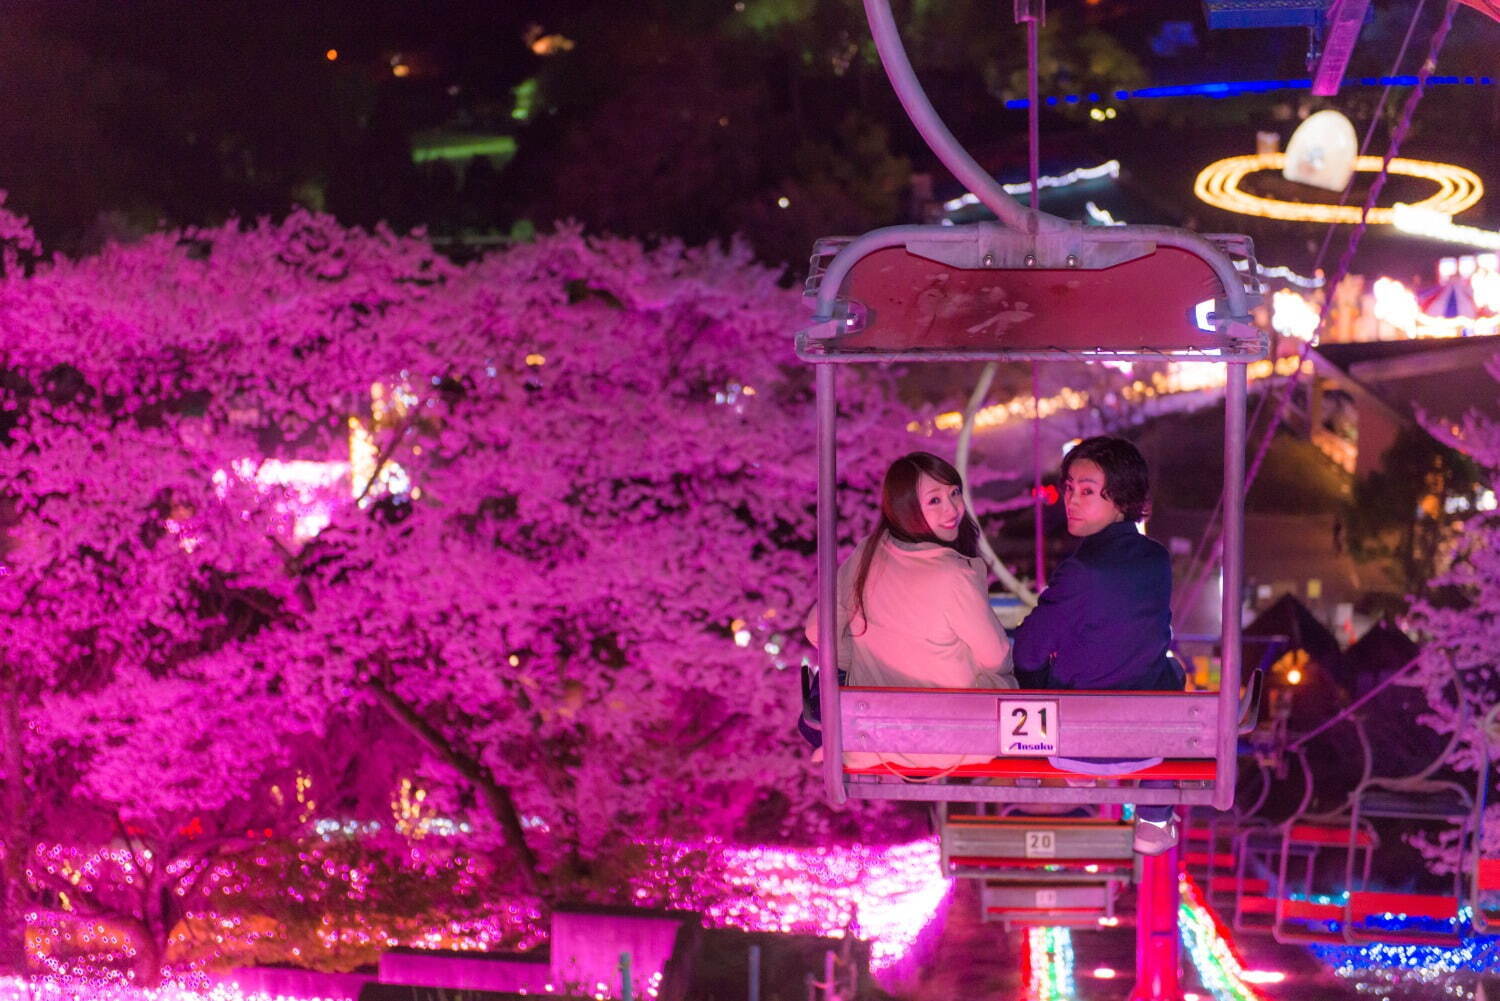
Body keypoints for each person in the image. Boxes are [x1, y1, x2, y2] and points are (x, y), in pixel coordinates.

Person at [1012, 435, 1185, 855]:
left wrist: (1040, 688)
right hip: (1146, 744)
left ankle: (1087, 774)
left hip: (1074, 743)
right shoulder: (1158, 559)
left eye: (1087, 491)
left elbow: (1028, 650)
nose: (1071, 500)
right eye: (1069, 488)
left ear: (1121, 499)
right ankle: (1155, 817)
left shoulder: (1084, 569)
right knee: (1170, 672)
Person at [805, 451, 1015, 769]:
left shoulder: (868, 553)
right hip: (956, 741)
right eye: (935, 500)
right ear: (907, 507)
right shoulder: (952, 573)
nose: (952, 508)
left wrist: (861, 658)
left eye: (954, 493)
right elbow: (996, 656)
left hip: (872, 741)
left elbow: (816, 631)